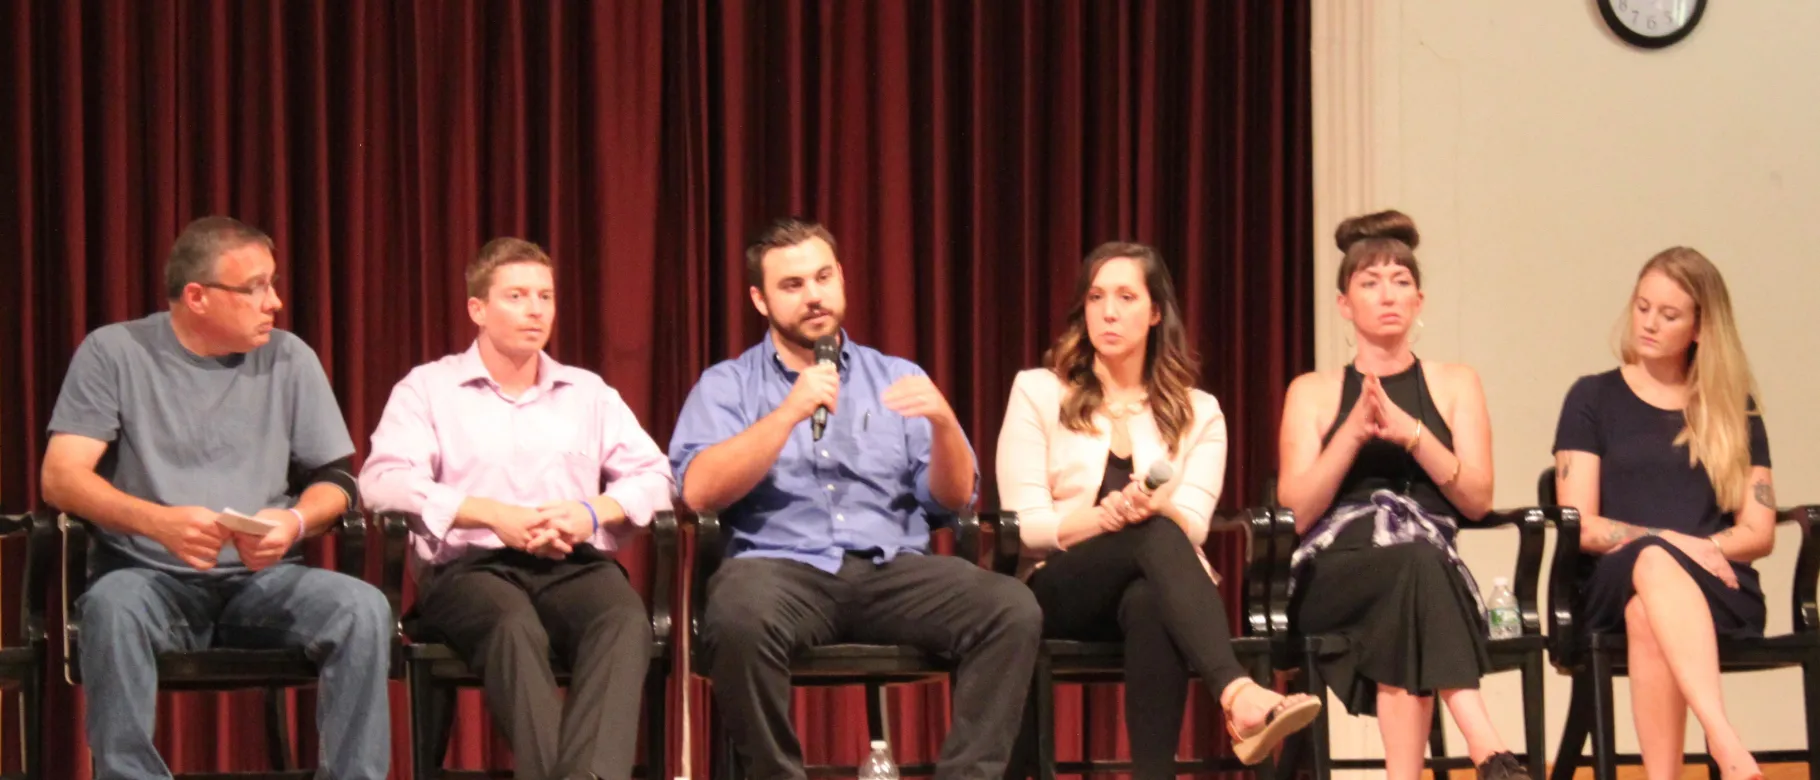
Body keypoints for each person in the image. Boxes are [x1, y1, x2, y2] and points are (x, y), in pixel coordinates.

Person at [669, 217, 1041, 780]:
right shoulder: (728, 385)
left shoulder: (896, 375)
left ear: (842, 277)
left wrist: (944, 425)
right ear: (760, 300)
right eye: (792, 285)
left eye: (823, 277)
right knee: (738, 616)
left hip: (891, 572)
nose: (813, 296)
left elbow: (955, 497)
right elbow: (698, 490)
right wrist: (788, 412)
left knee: (1011, 608)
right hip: (781, 573)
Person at [39, 216, 391, 780]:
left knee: (363, 608)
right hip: (150, 579)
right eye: (256, 288)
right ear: (197, 296)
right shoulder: (114, 352)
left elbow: (337, 481)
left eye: (272, 284)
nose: (273, 302)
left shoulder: (289, 357)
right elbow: (61, 477)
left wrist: (294, 523)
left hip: (263, 584)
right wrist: (158, 523)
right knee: (111, 608)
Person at [995, 241, 1320, 775]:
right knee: (1154, 535)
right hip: (1055, 588)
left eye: (1126, 296)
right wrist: (1106, 517)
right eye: (1097, 297)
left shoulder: (1200, 413)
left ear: (1155, 313)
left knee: (1151, 595)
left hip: (1153, 592)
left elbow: (1192, 521)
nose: (1109, 311)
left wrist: (1158, 508)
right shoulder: (1037, 392)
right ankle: (1238, 694)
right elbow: (1026, 528)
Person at [360, 237, 674, 780]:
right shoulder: (429, 388)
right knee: (512, 624)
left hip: (570, 563)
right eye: (517, 295)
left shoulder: (587, 392)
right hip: (469, 568)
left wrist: (592, 512)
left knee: (624, 619)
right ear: (477, 309)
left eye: (545, 296)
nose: (535, 309)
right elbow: (382, 482)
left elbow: (657, 477)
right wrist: (488, 513)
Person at [1275, 210, 1528, 780]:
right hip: (1334, 573)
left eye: (1401, 281)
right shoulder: (1313, 392)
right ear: (1344, 304)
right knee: (1414, 570)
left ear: (1419, 301)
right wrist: (1353, 433)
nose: (1387, 294)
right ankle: (1486, 745)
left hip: (1421, 573)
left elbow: (1477, 500)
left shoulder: (1456, 382)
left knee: (1411, 579)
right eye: (1369, 282)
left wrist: (1413, 435)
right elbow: (1294, 514)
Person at [1551, 247, 1772, 780]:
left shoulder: (1732, 405)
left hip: (1717, 584)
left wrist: (1701, 549)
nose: (1649, 323)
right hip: (1614, 577)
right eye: (1643, 307)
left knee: (1648, 614)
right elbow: (1580, 521)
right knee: (1651, 563)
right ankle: (1724, 740)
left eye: (1669, 315)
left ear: (1699, 327)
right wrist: (1670, 544)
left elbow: (1759, 531)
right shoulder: (1592, 397)